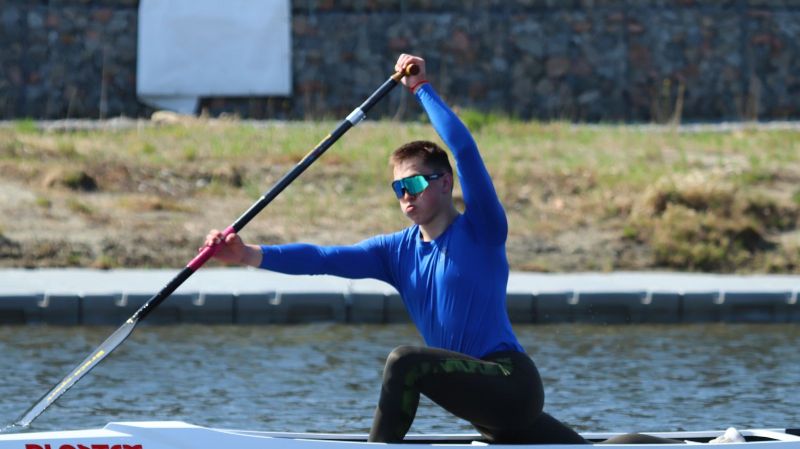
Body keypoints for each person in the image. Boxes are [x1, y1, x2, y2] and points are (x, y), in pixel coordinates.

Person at [200, 54, 656, 445]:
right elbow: (321, 258)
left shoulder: (482, 230)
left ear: (444, 183)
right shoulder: (394, 253)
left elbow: (465, 150)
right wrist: (247, 254)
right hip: (487, 408)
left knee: (405, 362)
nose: (406, 195)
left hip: (509, 384)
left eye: (415, 183)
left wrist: (421, 88)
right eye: (398, 187)